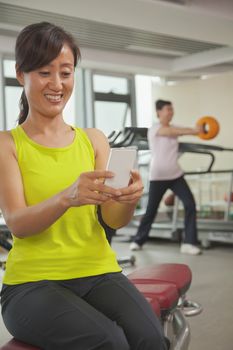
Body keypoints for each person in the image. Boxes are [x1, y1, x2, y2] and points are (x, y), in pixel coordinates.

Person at [0, 22, 169, 350]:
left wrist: (129, 198)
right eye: (45, 73)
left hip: (98, 271)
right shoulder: (7, 144)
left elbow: (112, 220)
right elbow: (18, 224)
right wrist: (67, 197)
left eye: (65, 72)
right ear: (21, 75)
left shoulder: (93, 140)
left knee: (150, 338)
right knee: (110, 343)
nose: (57, 84)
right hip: (32, 284)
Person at [130, 99, 202, 255]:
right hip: (158, 176)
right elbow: (172, 132)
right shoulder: (154, 129)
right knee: (151, 210)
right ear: (159, 112)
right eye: (168, 109)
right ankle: (138, 240)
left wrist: (199, 129)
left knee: (190, 204)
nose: (171, 112)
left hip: (176, 175)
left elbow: (183, 130)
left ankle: (189, 243)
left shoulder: (175, 127)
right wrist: (194, 131)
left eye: (172, 109)